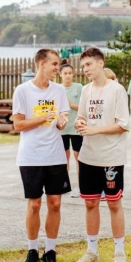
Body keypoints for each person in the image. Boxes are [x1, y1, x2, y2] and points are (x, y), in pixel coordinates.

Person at [12, 49, 71, 262]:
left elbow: (61, 116)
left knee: (55, 204)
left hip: (55, 155)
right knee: (34, 204)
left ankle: (51, 251)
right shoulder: (22, 90)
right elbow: (18, 125)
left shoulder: (59, 90)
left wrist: (61, 121)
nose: (58, 68)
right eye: (54, 64)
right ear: (42, 64)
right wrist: (42, 118)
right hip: (31, 156)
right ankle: (32, 250)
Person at [73, 47, 130, 262]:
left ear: (100, 63)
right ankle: (91, 251)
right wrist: (79, 123)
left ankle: (119, 252)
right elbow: (81, 117)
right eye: (83, 66)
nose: (85, 69)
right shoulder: (86, 90)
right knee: (90, 203)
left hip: (111, 156)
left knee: (114, 203)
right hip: (88, 155)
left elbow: (123, 124)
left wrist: (95, 130)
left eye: (88, 64)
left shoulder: (117, 89)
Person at [59, 62, 83, 197]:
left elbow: (83, 107)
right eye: (65, 73)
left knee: (78, 156)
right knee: (64, 157)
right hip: (62, 129)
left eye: (69, 73)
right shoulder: (57, 89)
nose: (67, 76)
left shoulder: (79, 87)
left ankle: (82, 186)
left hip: (76, 128)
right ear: (60, 75)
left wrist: (71, 105)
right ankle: (64, 185)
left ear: (73, 74)